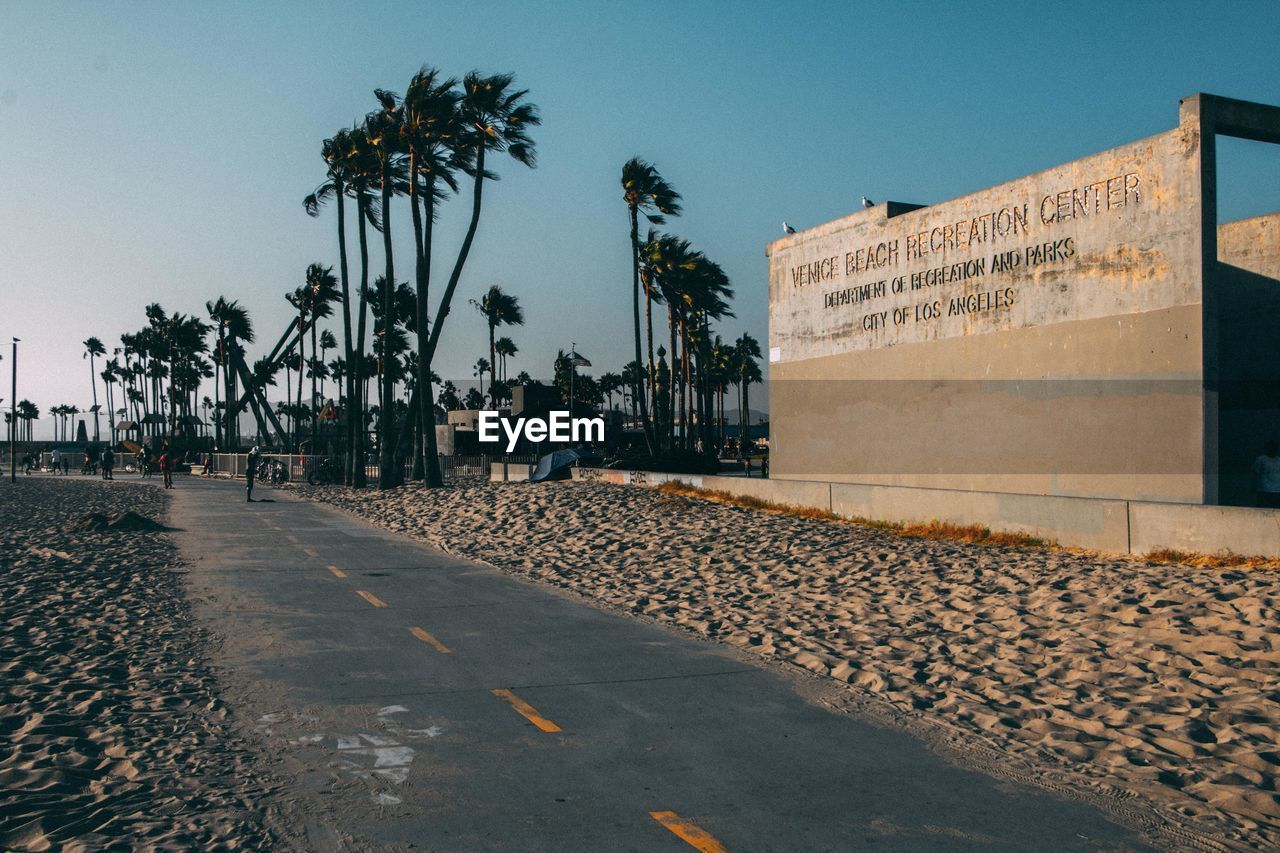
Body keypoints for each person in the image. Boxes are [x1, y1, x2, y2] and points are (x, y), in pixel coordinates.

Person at [1253, 440, 1280, 508]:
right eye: (1271, 447)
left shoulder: (1279, 460)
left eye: (1274, 448)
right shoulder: (1261, 459)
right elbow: (1255, 474)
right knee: (1262, 510)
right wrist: (1253, 486)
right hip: (1264, 490)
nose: (1272, 449)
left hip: (1277, 491)